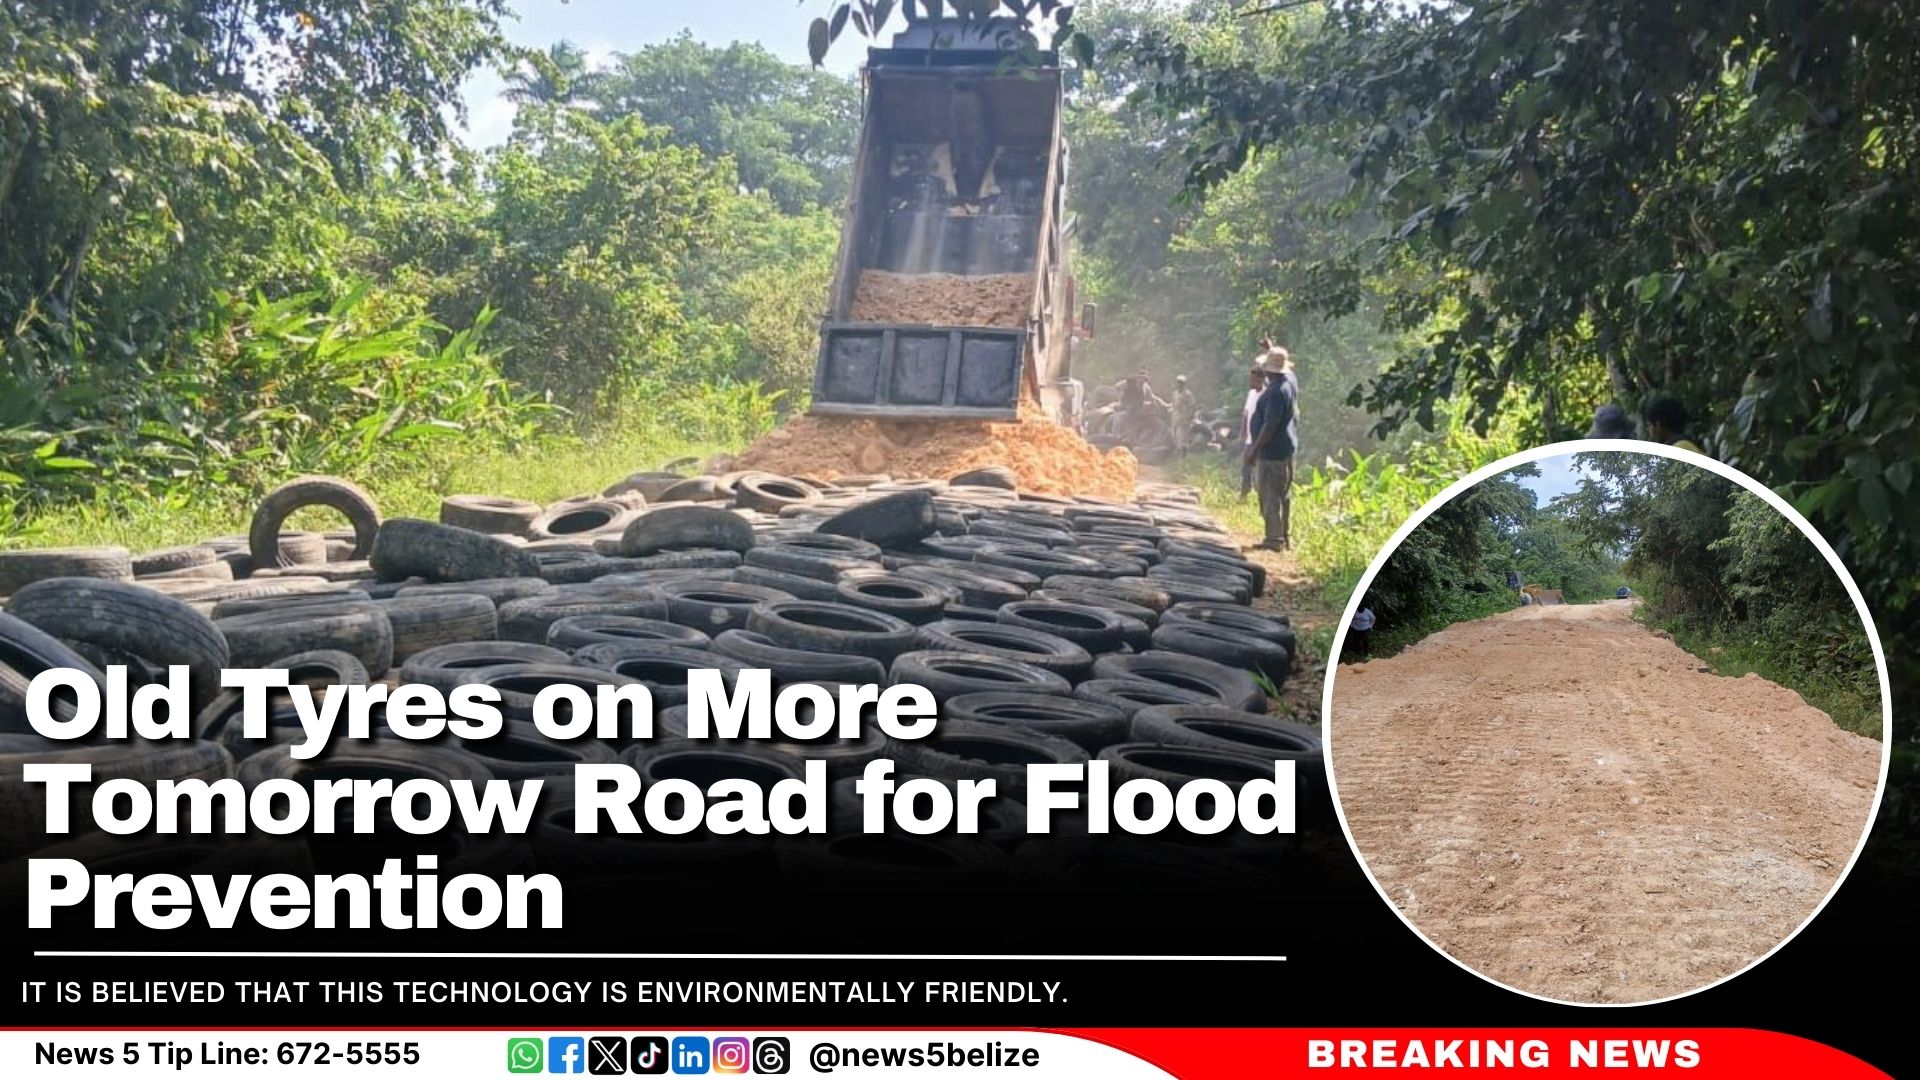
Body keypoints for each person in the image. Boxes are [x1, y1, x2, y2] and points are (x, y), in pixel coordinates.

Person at [1244, 346, 1300, 550]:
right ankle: (1283, 536)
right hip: (1285, 448)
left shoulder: (1276, 392)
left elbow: (1270, 424)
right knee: (1282, 494)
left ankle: (1273, 539)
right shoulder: (1290, 381)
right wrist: (1271, 348)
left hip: (1272, 451)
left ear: (1269, 372)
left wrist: (1254, 449)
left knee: (1269, 494)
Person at [1239, 361, 1267, 498]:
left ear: (1261, 379)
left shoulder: (1265, 395)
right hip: (1249, 439)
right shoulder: (1251, 393)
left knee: (1259, 470)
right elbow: (1245, 413)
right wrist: (1242, 431)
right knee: (1245, 468)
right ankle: (1244, 493)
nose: (1250, 381)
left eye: (1253, 379)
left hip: (1259, 439)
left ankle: (1260, 495)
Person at [1641, 395, 1705, 454]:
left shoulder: (1680, 447)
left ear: (1658, 425)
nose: (1647, 429)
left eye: (1649, 425)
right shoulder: (1683, 444)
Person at [1170, 375, 1197, 453]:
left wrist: (1190, 417)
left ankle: (1183, 457)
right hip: (1175, 418)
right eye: (1178, 382)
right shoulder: (1175, 393)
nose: (1179, 384)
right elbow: (1174, 404)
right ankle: (1178, 455)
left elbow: (1192, 406)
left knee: (1181, 439)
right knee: (1174, 437)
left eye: (1181, 383)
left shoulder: (1187, 394)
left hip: (1184, 420)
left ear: (1184, 384)